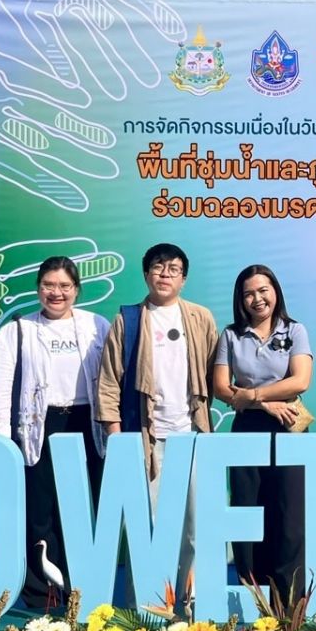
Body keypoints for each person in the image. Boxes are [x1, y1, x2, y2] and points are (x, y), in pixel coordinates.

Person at [0, 257, 110, 610]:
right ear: (38, 288)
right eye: (49, 285)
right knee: (40, 510)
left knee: (82, 508)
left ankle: (79, 589)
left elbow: (112, 378)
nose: (57, 293)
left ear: (77, 289)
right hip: (38, 425)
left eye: (64, 286)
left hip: (87, 424)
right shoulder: (17, 330)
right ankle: (42, 594)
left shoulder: (97, 325)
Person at [96, 243, 219, 592]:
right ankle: (149, 608)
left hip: (192, 436)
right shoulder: (128, 321)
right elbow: (109, 382)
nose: (165, 274)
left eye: (173, 269)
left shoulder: (200, 318)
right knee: (147, 527)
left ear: (184, 279)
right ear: (146, 273)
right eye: (158, 267)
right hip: (146, 440)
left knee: (196, 526)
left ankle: (190, 603)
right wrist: (118, 438)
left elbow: (215, 373)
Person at [211, 264, 313, 598]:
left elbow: (300, 381)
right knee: (246, 508)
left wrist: (253, 395)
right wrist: (264, 403)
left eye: (263, 290)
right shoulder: (231, 335)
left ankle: (291, 601)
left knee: (290, 512)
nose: (257, 299)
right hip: (248, 427)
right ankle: (251, 595)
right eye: (249, 294)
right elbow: (222, 388)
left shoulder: (295, 330)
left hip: (289, 424)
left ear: (275, 292)